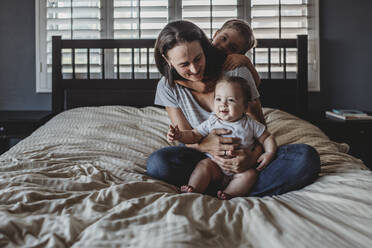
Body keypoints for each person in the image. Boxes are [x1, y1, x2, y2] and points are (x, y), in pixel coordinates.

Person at [147, 20, 320, 197]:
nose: (194, 69)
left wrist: (251, 158)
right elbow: (187, 137)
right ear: (167, 60)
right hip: (205, 161)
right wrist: (209, 147)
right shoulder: (167, 87)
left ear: (204, 48)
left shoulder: (236, 71)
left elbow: (260, 128)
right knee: (158, 163)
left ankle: (229, 187)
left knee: (306, 158)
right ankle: (229, 187)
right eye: (184, 64)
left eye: (198, 58)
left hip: (247, 158)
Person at [167, 76, 277, 200]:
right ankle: (193, 189)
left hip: (242, 169)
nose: (223, 104)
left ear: (245, 107)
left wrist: (269, 152)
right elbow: (194, 135)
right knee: (204, 165)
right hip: (216, 166)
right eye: (218, 99)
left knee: (250, 175)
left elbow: (267, 137)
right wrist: (180, 135)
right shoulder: (212, 121)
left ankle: (228, 194)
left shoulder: (250, 124)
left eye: (230, 100)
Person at [212, 19, 261, 88]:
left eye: (232, 47)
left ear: (238, 55)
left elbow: (255, 84)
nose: (224, 46)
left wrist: (247, 63)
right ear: (216, 34)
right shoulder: (199, 49)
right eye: (223, 38)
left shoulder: (235, 69)